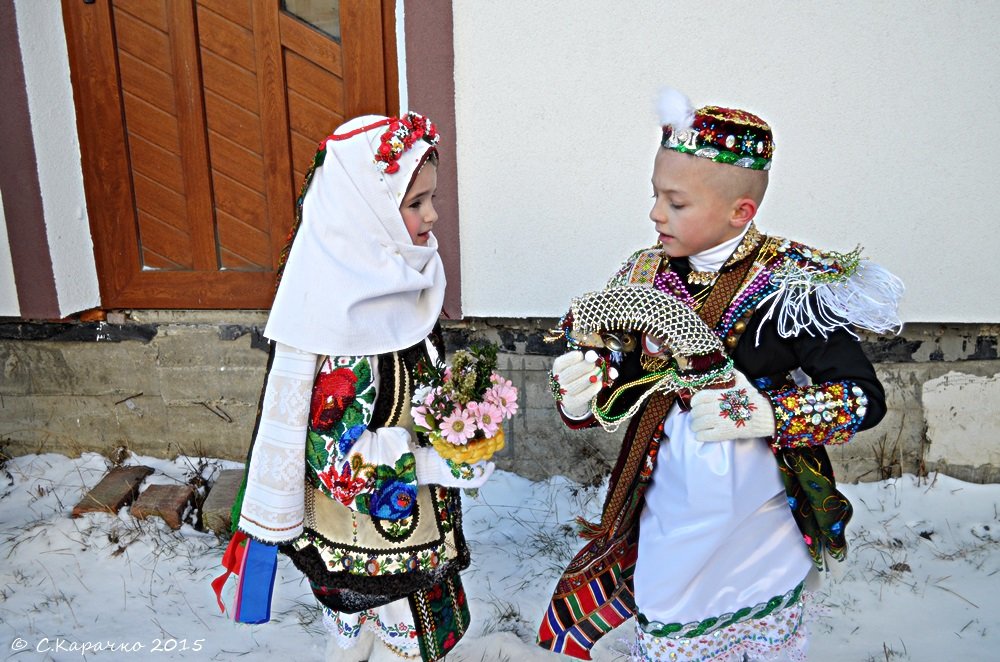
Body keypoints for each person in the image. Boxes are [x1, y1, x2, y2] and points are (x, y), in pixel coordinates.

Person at [537, 89, 903, 661]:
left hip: (757, 496)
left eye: (676, 203)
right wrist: (584, 389)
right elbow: (618, 368)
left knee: (758, 609)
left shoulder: (793, 285)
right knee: (669, 602)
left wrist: (769, 413)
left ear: (741, 211)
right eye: (655, 196)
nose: (656, 214)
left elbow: (864, 397)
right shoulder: (643, 272)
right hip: (673, 486)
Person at [214, 112, 494, 662]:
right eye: (415, 204)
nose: (432, 216)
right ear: (363, 213)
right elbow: (333, 453)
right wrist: (434, 465)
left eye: (432, 199)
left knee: (386, 627)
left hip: (408, 521)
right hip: (364, 532)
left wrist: (461, 428)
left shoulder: (398, 277)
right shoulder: (337, 321)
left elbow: (419, 386)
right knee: (391, 632)